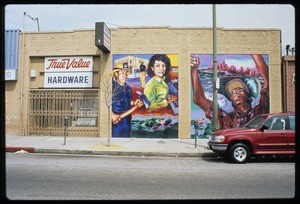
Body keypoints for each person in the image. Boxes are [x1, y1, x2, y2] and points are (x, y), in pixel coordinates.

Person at [190, 54, 269, 129]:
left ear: (248, 95)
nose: (235, 93)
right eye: (232, 92)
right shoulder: (227, 119)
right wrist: (194, 71)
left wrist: (255, 51)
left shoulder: (259, 112)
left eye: (240, 90)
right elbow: (199, 100)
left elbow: (267, 82)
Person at [111, 64, 143, 137]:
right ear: (116, 74)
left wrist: (134, 103)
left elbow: (128, 102)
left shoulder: (128, 88)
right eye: (122, 73)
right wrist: (111, 114)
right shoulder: (112, 87)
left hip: (127, 120)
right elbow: (105, 103)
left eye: (125, 73)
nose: (124, 76)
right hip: (116, 122)